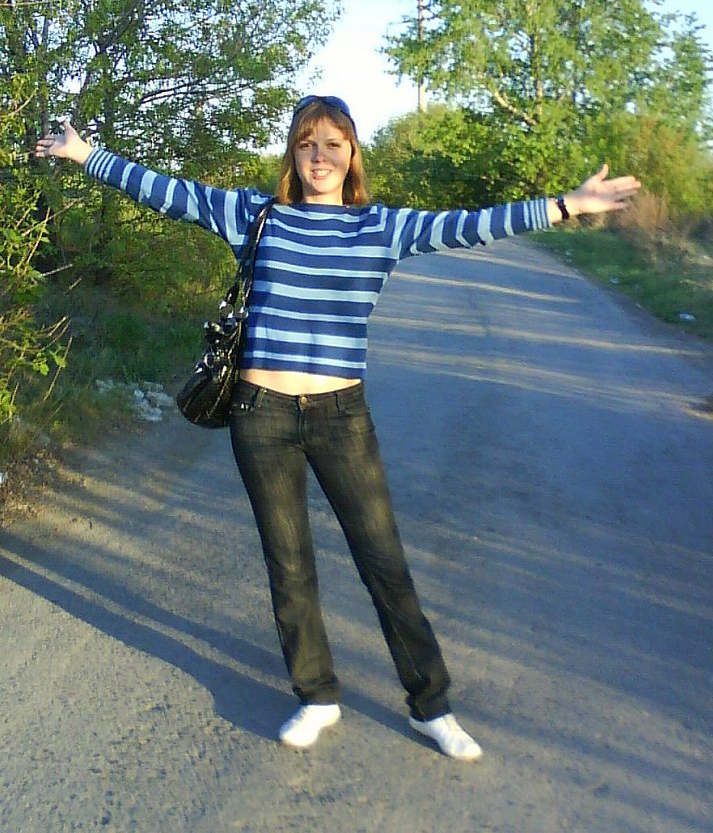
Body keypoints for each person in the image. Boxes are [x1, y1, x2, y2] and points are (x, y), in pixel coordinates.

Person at [35, 95, 640, 759]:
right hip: (260, 415)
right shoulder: (257, 216)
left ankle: (430, 706)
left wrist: (566, 205)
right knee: (288, 564)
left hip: (341, 418)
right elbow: (168, 193)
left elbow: (469, 225)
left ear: (352, 154)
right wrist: (84, 154)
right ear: (292, 154)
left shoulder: (378, 228)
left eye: (332, 144)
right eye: (306, 144)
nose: (319, 156)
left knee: (384, 564)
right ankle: (316, 694)